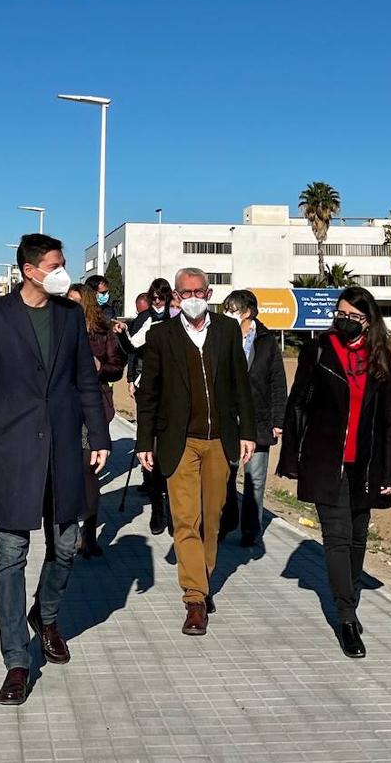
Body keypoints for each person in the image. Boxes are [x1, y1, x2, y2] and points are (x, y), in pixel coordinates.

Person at [0, 233, 112, 706]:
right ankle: (17, 662)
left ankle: (44, 616)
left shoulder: (69, 318)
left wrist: (100, 437)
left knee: (65, 546)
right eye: (56, 264)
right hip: (16, 450)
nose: (64, 271)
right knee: (11, 556)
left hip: (65, 449)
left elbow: (86, 380)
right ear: (30, 270)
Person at [276, 286, 391, 659]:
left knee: (359, 539)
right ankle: (346, 619)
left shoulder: (380, 357)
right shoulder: (318, 351)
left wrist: (390, 471)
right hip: (324, 460)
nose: (345, 321)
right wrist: (291, 459)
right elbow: (298, 403)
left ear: (369, 321)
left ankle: (351, 599)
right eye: (340, 314)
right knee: (338, 539)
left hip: (366, 464)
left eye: (354, 317)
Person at [135, 268, 256, 636]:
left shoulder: (226, 330)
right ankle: (194, 599)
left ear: (209, 292)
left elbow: (240, 385)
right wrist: (144, 442)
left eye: (197, 291)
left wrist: (247, 433)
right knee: (185, 519)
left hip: (220, 439)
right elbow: (150, 394)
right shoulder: (161, 335)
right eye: (183, 292)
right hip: (179, 441)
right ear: (175, 295)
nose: (191, 298)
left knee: (212, 518)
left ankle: (202, 578)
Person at [218, 290, 287, 547]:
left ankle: (251, 529)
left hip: (259, 419)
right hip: (229, 419)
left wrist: (278, 420)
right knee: (226, 475)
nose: (228, 313)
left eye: (232, 309)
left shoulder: (267, 341)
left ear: (247, 312)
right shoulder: (223, 337)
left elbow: (278, 383)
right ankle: (226, 522)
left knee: (254, 479)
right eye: (226, 308)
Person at [67, 282, 125, 557]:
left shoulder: (102, 333)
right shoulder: (57, 330)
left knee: (89, 470)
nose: (72, 307)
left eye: (77, 302)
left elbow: (117, 368)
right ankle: (66, 530)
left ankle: (88, 536)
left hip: (93, 409)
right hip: (62, 409)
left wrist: (102, 367)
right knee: (67, 471)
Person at [117, 278, 176, 533]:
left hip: (175, 392)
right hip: (149, 390)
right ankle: (157, 508)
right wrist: (121, 335)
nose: (158, 301)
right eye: (154, 297)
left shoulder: (180, 319)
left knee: (173, 452)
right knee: (149, 450)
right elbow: (132, 347)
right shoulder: (146, 320)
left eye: (162, 296)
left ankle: (174, 511)